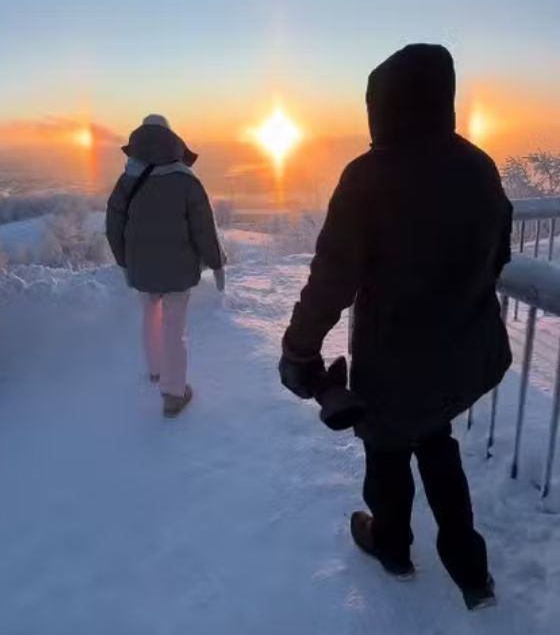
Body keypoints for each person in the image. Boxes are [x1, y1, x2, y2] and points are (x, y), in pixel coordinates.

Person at [279, 44, 511, 610]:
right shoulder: (478, 166)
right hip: (461, 351)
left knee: (386, 449)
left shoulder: (369, 175)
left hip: (395, 357)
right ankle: (471, 572)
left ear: (379, 105)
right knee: (436, 438)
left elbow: (333, 276)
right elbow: (497, 251)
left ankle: (392, 545)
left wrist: (299, 350)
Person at [106, 114, 225, 417]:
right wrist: (216, 263)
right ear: (171, 140)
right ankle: (173, 393)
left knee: (149, 315)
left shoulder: (126, 180)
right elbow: (203, 228)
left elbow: (113, 225)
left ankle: (156, 370)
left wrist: (124, 261)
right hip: (178, 269)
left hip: (141, 267)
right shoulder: (186, 180)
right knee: (174, 327)